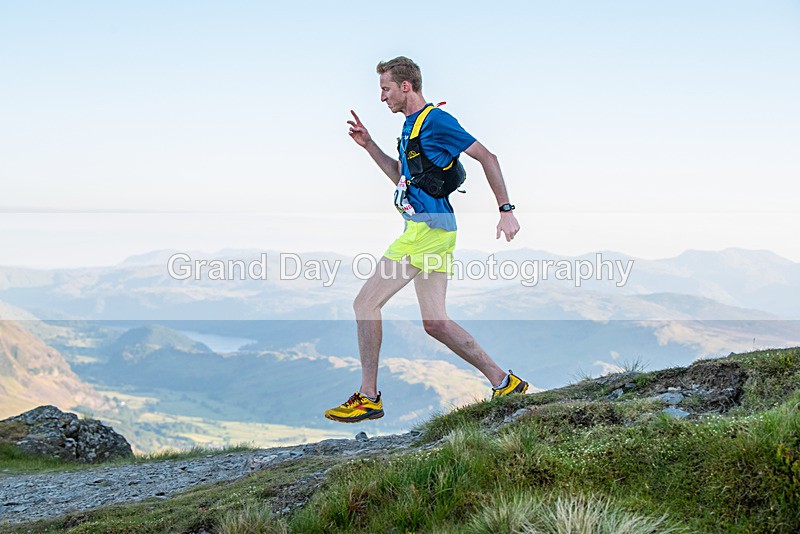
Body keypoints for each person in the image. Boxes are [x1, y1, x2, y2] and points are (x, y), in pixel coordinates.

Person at [324, 56, 528, 424]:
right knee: (435, 323)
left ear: (406, 86)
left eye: (385, 89)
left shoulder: (436, 121)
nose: (382, 98)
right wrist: (369, 145)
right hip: (431, 230)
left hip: (426, 231)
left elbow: (488, 157)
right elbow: (401, 177)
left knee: (364, 305)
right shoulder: (410, 127)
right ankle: (504, 381)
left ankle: (368, 396)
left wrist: (506, 209)